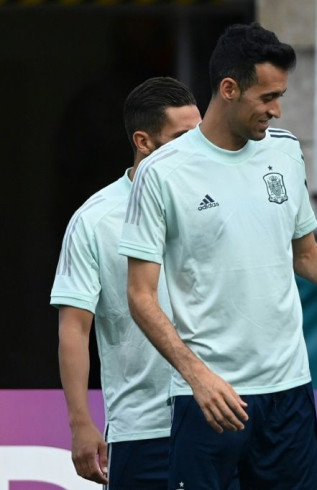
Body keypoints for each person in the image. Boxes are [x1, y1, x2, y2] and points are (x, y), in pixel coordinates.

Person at [118, 23, 317, 489]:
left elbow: (306, 255)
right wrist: (196, 376)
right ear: (229, 89)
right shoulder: (163, 173)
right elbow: (140, 295)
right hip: (210, 399)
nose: (277, 110)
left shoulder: (284, 153)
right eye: (267, 97)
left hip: (288, 395)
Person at [51, 77, 201, 486]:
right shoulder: (94, 220)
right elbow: (74, 328)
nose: (196, 148)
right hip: (142, 429)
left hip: (219, 418)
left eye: (200, 134)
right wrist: (81, 424)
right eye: (182, 137)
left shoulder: (218, 203)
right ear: (144, 141)